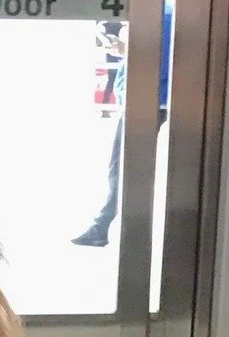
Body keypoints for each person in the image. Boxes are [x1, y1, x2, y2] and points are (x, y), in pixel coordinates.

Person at [73, 0, 173, 249]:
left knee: (122, 168)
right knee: (128, 168)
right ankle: (111, 225)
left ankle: (108, 226)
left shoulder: (161, 16)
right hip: (149, 100)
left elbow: (152, 62)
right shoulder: (167, 14)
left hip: (143, 102)